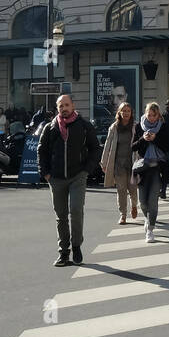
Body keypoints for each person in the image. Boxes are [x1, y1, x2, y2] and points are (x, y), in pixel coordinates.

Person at [38, 94, 100, 266]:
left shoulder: (84, 125)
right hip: (56, 178)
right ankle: (64, 252)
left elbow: (95, 148)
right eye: (60, 106)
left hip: (77, 176)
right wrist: (46, 173)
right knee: (61, 216)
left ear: (73, 105)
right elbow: (41, 151)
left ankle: (76, 246)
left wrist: (87, 170)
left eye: (66, 105)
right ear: (57, 108)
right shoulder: (50, 127)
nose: (64, 108)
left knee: (76, 210)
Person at [99, 101, 141, 225]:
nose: (126, 113)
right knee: (121, 190)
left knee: (133, 189)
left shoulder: (136, 126)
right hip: (118, 164)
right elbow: (107, 145)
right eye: (124, 111)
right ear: (119, 112)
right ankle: (123, 215)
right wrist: (104, 162)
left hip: (133, 162)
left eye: (128, 111)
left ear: (131, 113)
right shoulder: (114, 127)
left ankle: (134, 206)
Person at [135, 102, 169, 241]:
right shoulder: (139, 126)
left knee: (153, 201)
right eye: (148, 115)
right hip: (142, 168)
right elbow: (133, 147)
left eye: (153, 115)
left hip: (157, 168)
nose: (150, 118)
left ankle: (150, 229)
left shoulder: (163, 127)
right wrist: (143, 139)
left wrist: (155, 139)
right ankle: (146, 218)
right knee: (143, 201)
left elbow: (168, 146)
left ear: (158, 116)